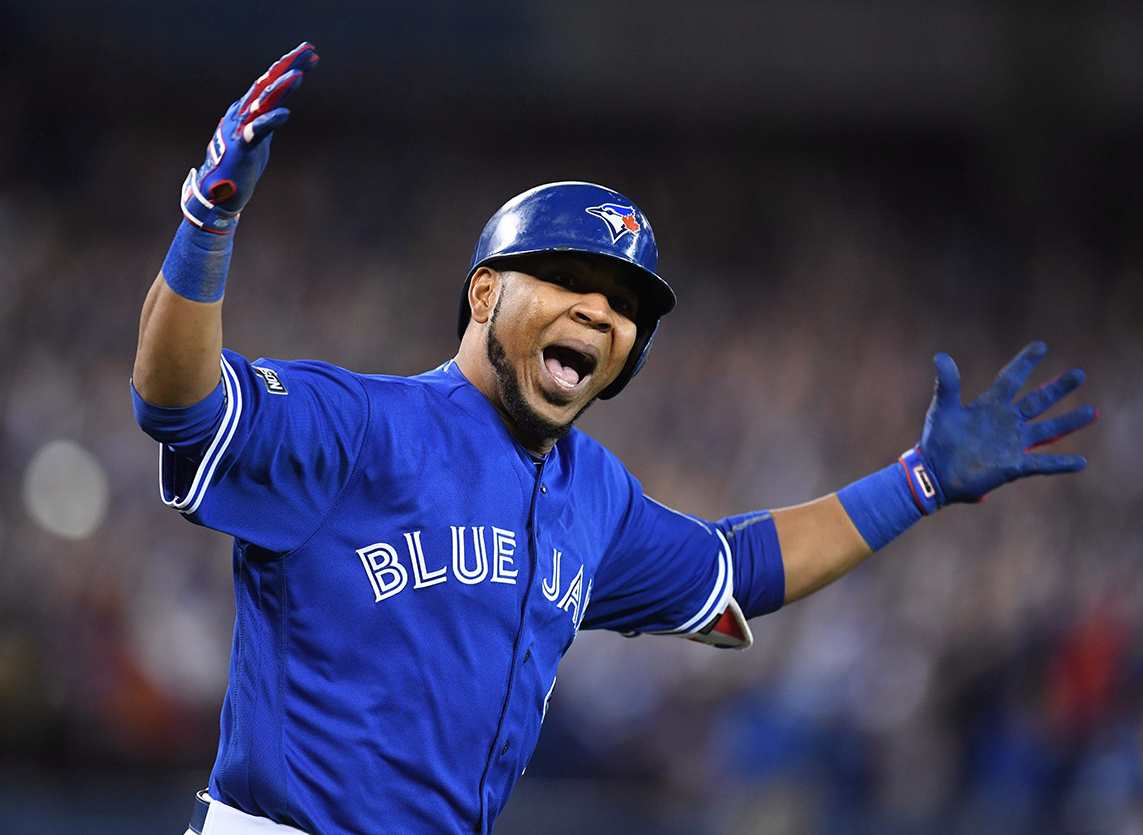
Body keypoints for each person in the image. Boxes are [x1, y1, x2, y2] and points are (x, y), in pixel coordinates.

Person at [132, 44, 1097, 835]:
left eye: (624, 303)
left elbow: (739, 567)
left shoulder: (595, 495)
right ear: (483, 293)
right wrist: (207, 223)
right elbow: (177, 403)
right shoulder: (358, 423)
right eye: (567, 279)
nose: (598, 311)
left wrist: (917, 482)